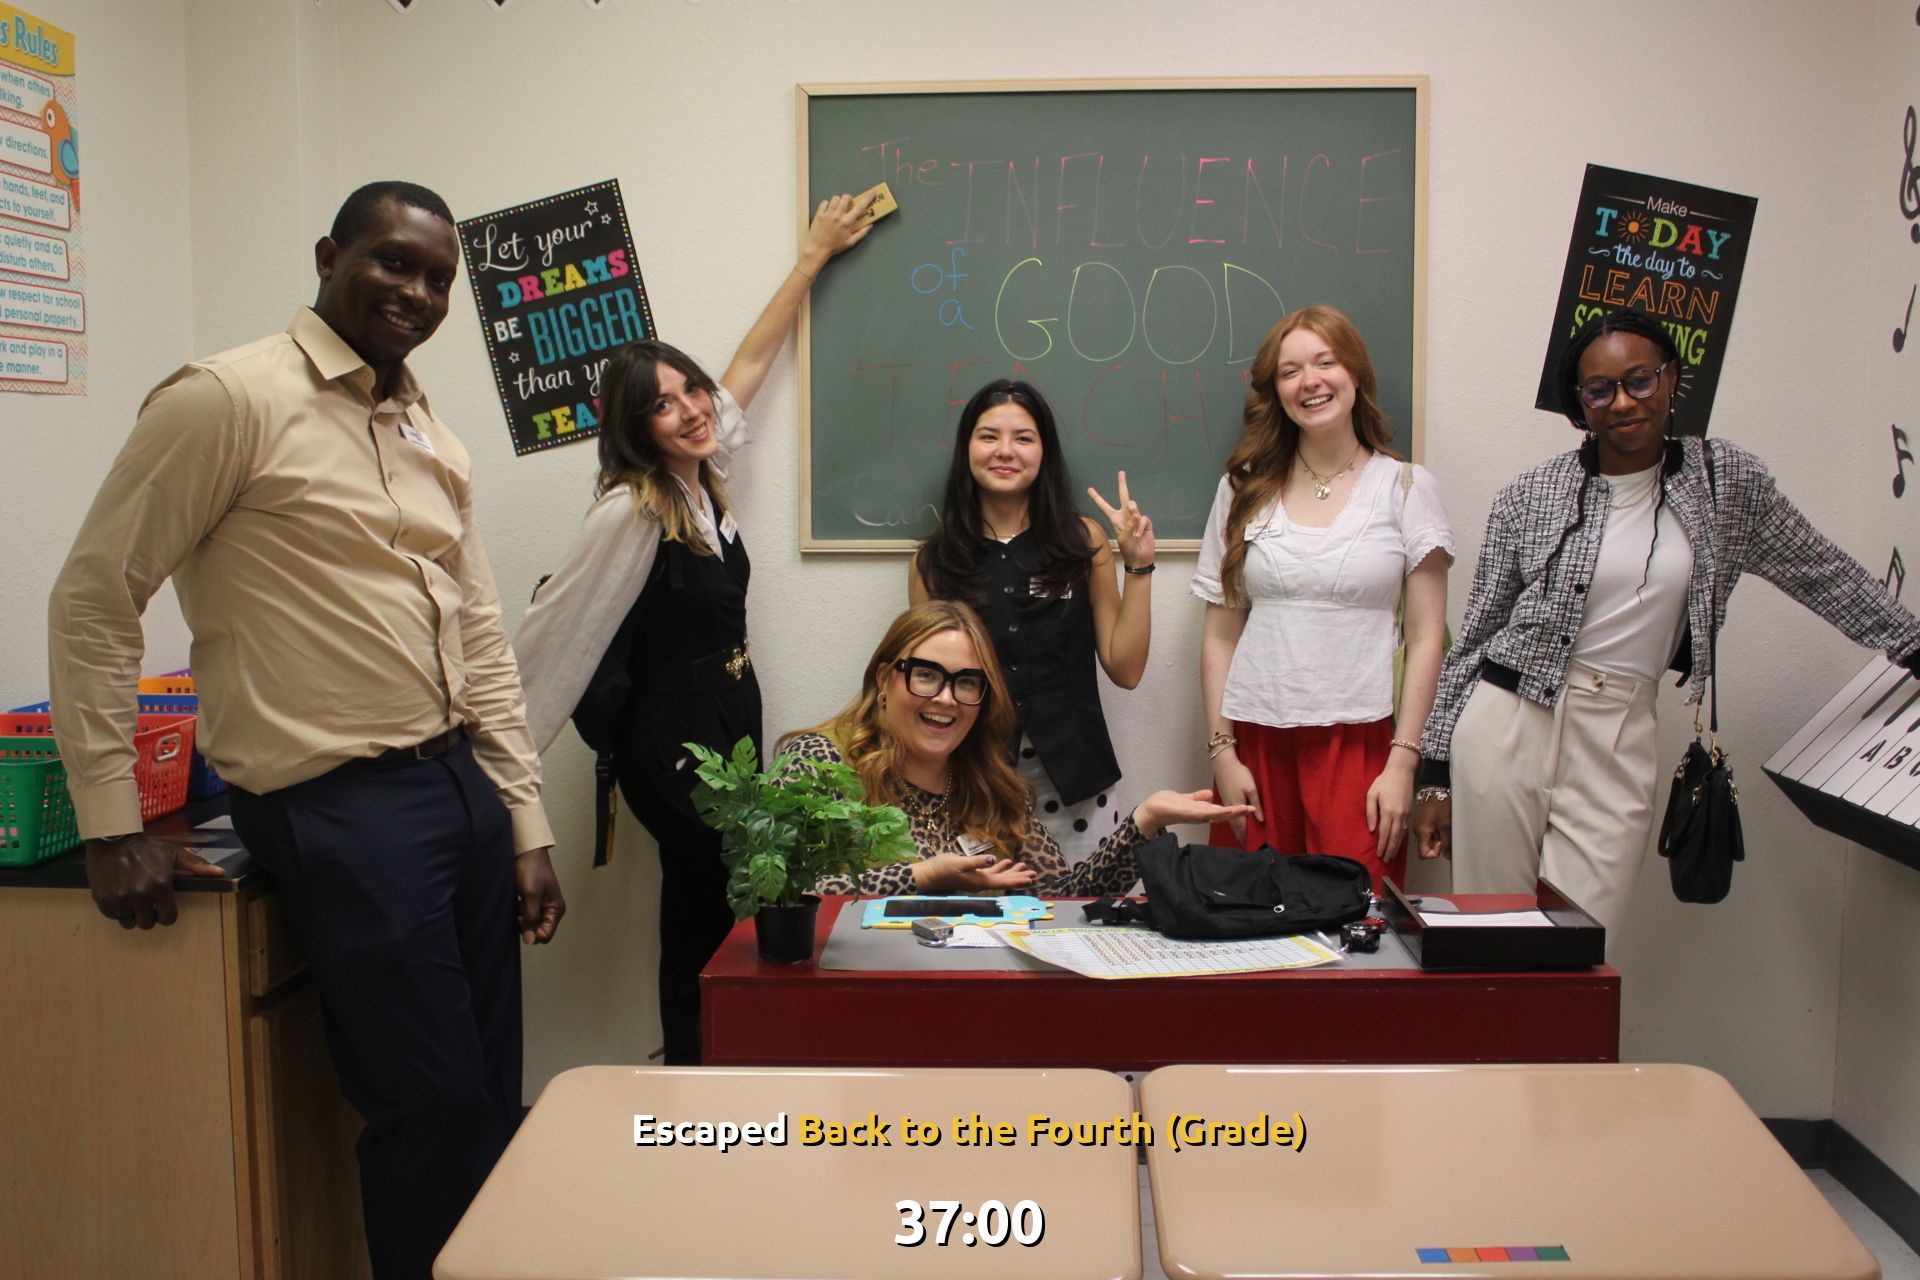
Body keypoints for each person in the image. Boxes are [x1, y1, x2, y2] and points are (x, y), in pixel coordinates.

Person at [47, 180, 565, 1280]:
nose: (416, 292)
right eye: (392, 262)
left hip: (458, 787)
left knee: (488, 1092)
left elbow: (478, 630)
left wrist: (523, 818)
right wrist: (109, 818)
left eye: (438, 279)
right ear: (330, 256)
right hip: (340, 805)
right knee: (429, 1103)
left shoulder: (425, 424)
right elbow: (96, 596)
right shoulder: (226, 399)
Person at [1411, 308, 1920, 928]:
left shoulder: (1726, 481)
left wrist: (1910, 643)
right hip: (1504, 720)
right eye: (1600, 390)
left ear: (1671, 378)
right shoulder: (1528, 495)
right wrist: (1434, 773)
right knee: (1493, 933)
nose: (1624, 402)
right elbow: (1477, 639)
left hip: (1619, 727)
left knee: (1586, 944)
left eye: (1640, 380)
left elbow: (1819, 570)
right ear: (1580, 402)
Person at [513, 192, 873, 1066]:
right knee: (711, 907)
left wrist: (813, 259)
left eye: (690, 389)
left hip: (725, 720)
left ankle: (703, 1064)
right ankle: (696, 1070)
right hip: (670, 745)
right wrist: (511, 804)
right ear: (634, 430)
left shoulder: (699, 480)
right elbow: (548, 645)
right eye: (662, 405)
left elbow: (748, 364)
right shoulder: (632, 511)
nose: (691, 409)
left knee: (709, 906)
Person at [1194, 305, 1452, 892]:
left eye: (1325, 362)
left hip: (1363, 744)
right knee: (1252, 919)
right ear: (1275, 391)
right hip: (1256, 741)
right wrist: (1223, 754)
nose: (1309, 381)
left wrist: (1404, 761)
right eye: (1290, 371)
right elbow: (1219, 634)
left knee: (1357, 916)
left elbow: (1426, 637)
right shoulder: (1241, 489)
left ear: (1355, 374)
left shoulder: (1407, 487)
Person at [789, 600, 1248, 896]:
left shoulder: (992, 787)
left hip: (976, 994)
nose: (946, 698)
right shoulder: (820, 761)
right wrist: (919, 879)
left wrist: (1144, 821)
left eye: (967, 683)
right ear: (884, 678)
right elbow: (784, 893)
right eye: (926, 675)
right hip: (858, 995)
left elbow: (1061, 899)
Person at [909, 379, 1154, 860]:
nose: (1005, 451)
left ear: (1044, 451)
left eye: (1023, 437)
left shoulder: (1082, 541)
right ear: (967, 448)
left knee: (1086, 903)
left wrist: (1139, 566)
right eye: (989, 436)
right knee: (981, 908)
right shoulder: (933, 561)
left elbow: (1126, 670)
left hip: (1077, 781)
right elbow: (924, 686)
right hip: (972, 784)